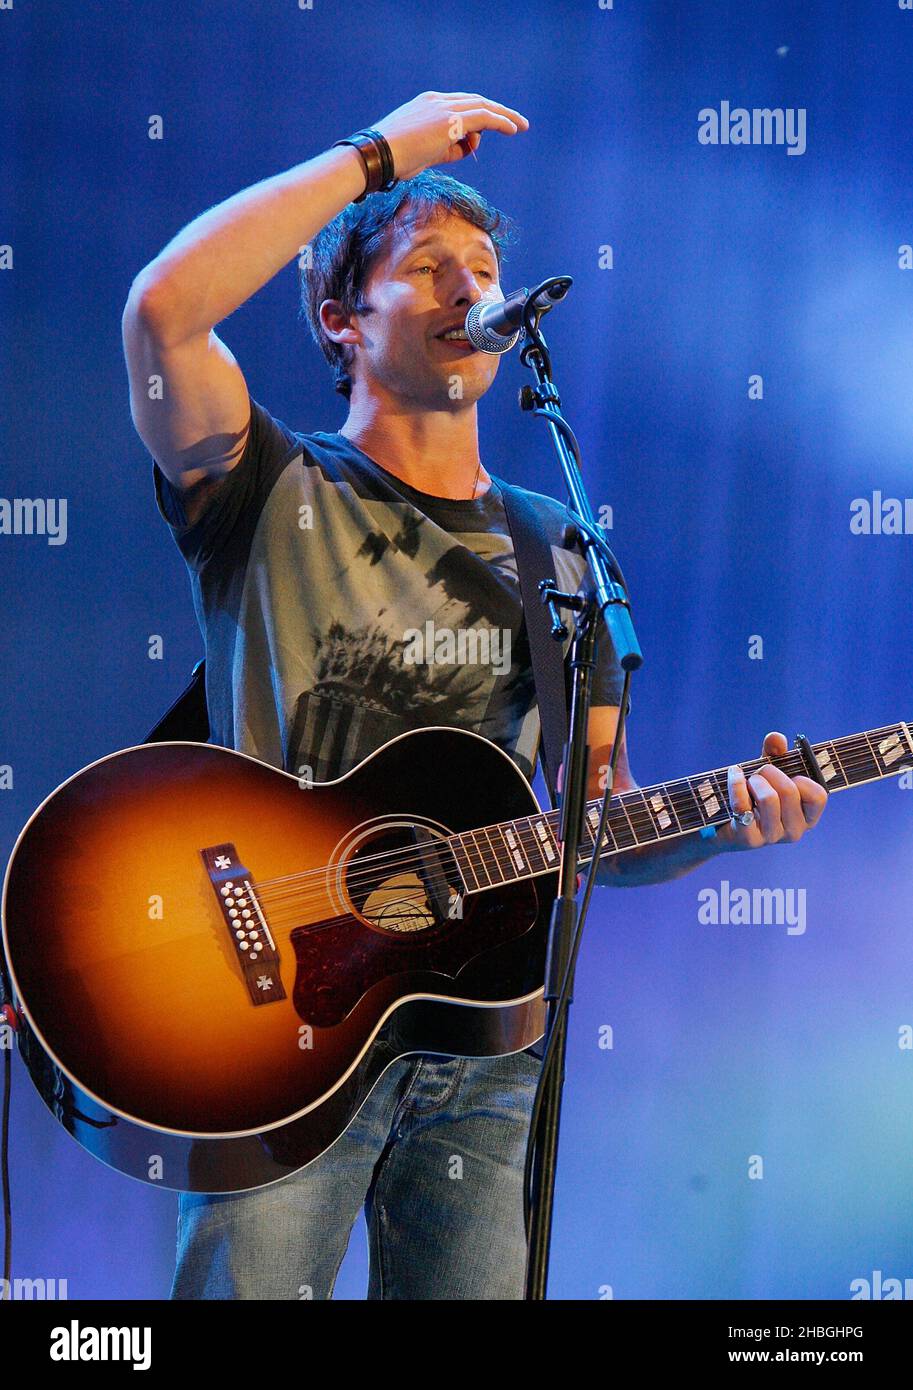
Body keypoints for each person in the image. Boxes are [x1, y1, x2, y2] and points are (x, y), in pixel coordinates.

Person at [121, 91, 829, 1300]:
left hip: (483, 1040)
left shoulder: (560, 550)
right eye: (430, 266)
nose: (469, 289)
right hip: (281, 1019)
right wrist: (375, 157)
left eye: (485, 267)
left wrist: (724, 820)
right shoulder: (268, 486)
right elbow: (164, 312)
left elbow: (595, 820)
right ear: (342, 318)